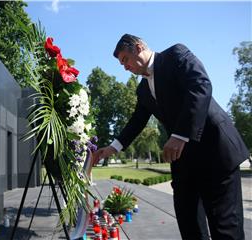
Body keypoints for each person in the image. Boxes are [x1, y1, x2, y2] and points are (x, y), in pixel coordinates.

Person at [93, 34, 249, 240]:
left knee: (225, 226)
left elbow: (201, 86)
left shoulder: (176, 54)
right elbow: (137, 121)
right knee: (188, 223)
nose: (125, 67)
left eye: (125, 60)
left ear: (138, 47)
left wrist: (180, 134)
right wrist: (112, 148)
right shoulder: (142, 89)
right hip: (184, 162)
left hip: (216, 152)